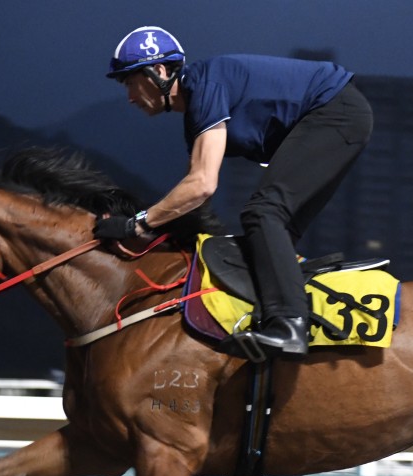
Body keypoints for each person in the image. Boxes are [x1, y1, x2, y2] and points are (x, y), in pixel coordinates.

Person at [94, 26, 374, 357]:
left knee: (263, 213)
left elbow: (202, 185)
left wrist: (136, 224)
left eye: (129, 81)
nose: (128, 96)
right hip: (341, 113)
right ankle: (283, 318)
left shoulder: (205, 86)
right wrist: (157, 233)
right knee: (270, 234)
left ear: (158, 71)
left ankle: (289, 324)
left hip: (336, 111)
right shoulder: (199, 107)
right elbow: (192, 196)